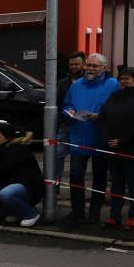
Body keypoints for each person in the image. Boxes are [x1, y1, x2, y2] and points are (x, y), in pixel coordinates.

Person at [62, 52, 119, 224]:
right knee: (76, 176)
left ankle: (94, 212)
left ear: (104, 68)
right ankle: (77, 211)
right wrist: (69, 111)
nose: (90, 69)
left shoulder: (113, 84)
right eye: (88, 65)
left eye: (94, 66)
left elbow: (119, 108)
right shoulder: (76, 85)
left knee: (99, 177)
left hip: (100, 137)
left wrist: (101, 115)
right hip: (79, 136)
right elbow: (66, 104)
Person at [97, 66, 134, 230]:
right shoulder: (114, 96)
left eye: (126, 78)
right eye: (121, 78)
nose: (122, 81)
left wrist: (122, 141)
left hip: (133, 149)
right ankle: (114, 216)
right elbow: (103, 118)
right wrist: (107, 139)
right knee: (116, 184)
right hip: (113, 148)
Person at [0, 119, 43, 227]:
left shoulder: (17, 149)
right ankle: (16, 212)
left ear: (7, 137)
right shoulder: (1, 148)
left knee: (6, 194)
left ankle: (31, 213)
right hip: (10, 183)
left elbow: (3, 170)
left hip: (28, 186)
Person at [54, 51, 86, 192]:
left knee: (77, 161)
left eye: (76, 64)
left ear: (84, 64)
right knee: (57, 155)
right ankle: (55, 186)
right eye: (71, 64)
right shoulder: (62, 83)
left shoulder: (88, 82)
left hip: (83, 126)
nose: (73, 67)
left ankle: (76, 188)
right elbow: (57, 103)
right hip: (65, 125)